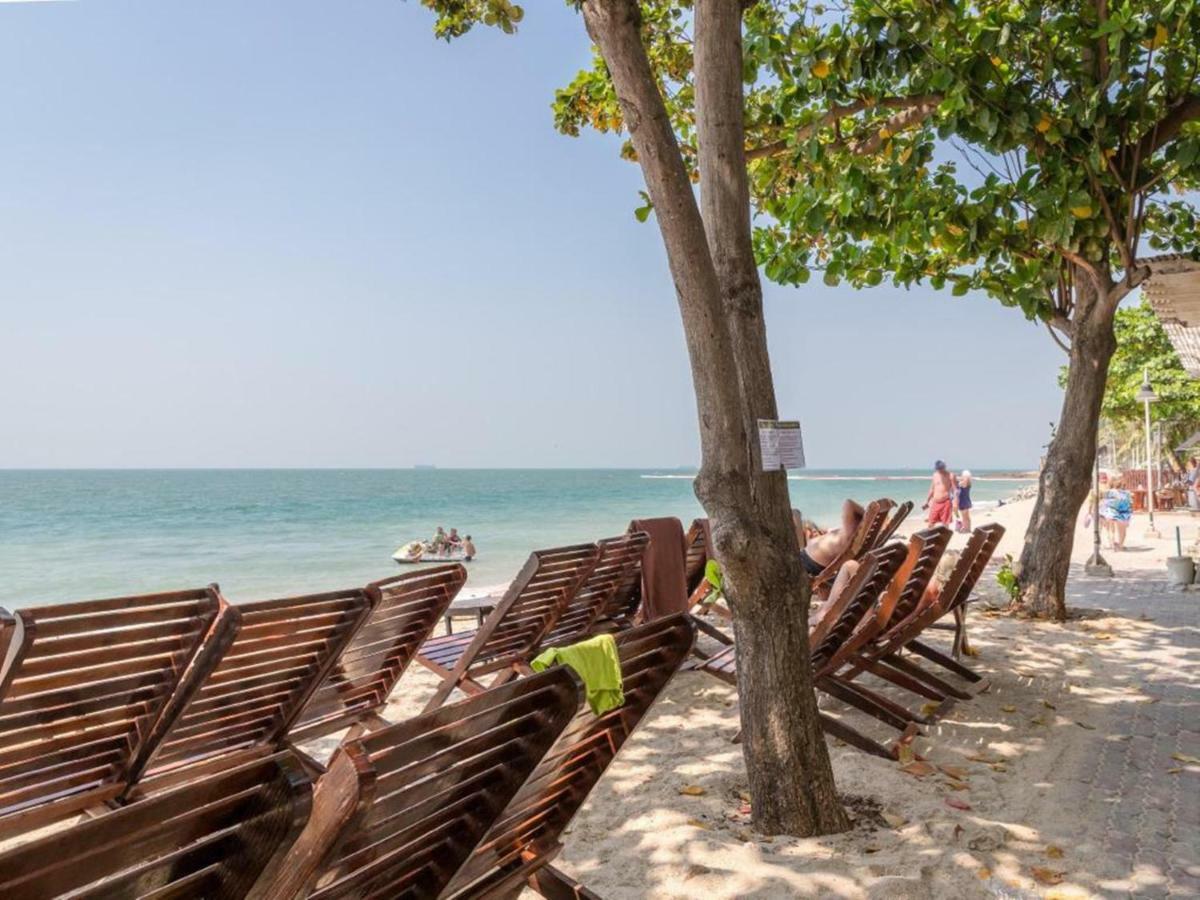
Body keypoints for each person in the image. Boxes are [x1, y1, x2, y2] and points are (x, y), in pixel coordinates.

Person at [797, 500, 865, 577]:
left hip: (807, 563)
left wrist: (866, 514)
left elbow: (848, 503)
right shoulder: (853, 536)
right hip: (809, 559)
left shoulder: (848, 535)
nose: (843, 517)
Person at [1099, 476, 1133, 550]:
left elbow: (1103, 502)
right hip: (1124, 514)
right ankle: (1120, 546)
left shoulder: (1108, 492)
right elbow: (1130, 504)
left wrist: (1102, 513)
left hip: (1111, 512)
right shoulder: (1127, 493)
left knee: (1111, 530)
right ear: (1122, 485)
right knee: (1122, 531)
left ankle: (1112, 544)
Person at [924, 460, 955, 526]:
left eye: (941, 468)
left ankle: (945, 536)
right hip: (935, 502)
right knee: (930, 523)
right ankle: (931, 536)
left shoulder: (950, 475)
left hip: (946, 502)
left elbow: (955, 490)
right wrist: (927, 501)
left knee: (945, 525)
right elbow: (932, 489)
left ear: (944, 467)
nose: (940, 470)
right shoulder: (935, 475)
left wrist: (955, 502)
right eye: (938, 469)